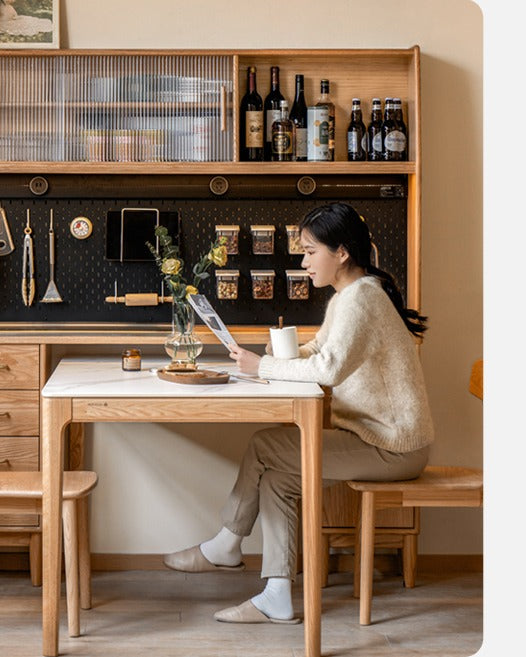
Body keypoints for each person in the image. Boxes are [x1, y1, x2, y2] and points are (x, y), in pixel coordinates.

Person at [163, 202, 434, 624]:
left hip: (392, 446)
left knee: (265, 443)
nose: (303, 261)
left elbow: (327, 370)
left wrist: (263, 367)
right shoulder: (353, 295)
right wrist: (277, 352)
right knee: (277, 477)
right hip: (377, 438)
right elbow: (321, 351)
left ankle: (226, 544)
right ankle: (276, 595)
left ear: (341, 252)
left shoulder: (362, 299)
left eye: (310, 251)